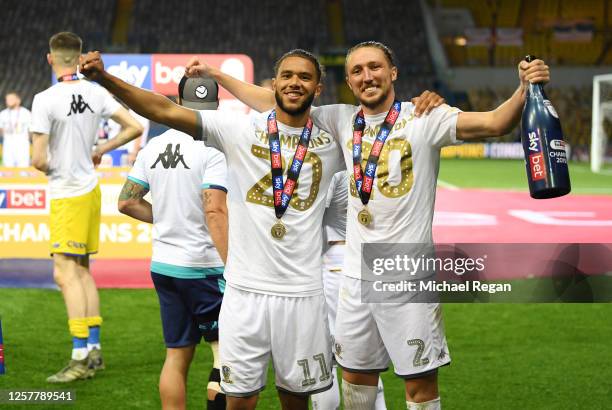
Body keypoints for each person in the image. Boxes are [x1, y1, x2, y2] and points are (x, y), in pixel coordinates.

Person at [185, 41, 550, 410]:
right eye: (357, 71)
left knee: (419, 386)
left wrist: (523, 89)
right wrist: (216, 75)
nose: (367, 76)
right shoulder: (340, 119)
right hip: (356, 277)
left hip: (406, 272)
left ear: (393, 73)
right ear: (348, 80)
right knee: (355, 379)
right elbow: (276, 102)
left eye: (375, 67)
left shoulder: (425, 117)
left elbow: (493, 122)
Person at [80, 48, 441, 410]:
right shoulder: (237, 130)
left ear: (319, 90)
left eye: (304, 78)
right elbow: (162, 109)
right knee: (239, 399)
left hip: (304, 294)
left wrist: (421, 105)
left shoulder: (335, 135)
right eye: (286, 76)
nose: (293, 84)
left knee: (297, 399)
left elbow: (375, 123)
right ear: (274, 84)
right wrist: (105, 79)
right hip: (244, 294)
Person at [30, 31, 143, 383]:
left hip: (68, 194)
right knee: (82, 271)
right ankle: (93, 352)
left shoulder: (44, 99)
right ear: (78, 59)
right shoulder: (96, 92)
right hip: (91, 191)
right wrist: (100, 151)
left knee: (64, 273)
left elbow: (37, 159)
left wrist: (55, 165)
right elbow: (135, 126)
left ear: (51, 59)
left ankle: (79, 357)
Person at [118, 75, 228, 410]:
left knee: (176, 357)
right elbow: (214, 208)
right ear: (215, 108)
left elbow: (127, 201)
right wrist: (234, 264)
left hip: (165, 266)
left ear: (177, 104)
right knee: (226, 355)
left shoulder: (154, 146)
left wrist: (167, 216)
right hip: (204, 267)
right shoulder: (216, 147)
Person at [312, 170, 386, 410]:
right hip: (372, 261)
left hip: (334, 260)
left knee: (325, 361)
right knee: (366, 360)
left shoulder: (332, 163)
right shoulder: (375, 158)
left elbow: (312, 219)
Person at [0, 92, 32, 167]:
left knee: (23, 170)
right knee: (8, 171)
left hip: (22, 146)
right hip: (8, 146)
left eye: (11, 99)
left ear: (18, 100)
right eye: (7, 99)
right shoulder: (2, 114)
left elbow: (31, 130)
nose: (8, 101)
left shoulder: (26, 113)